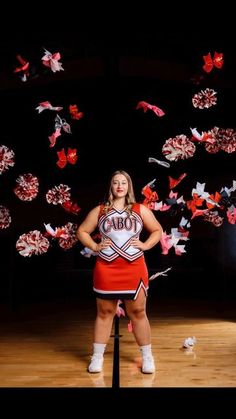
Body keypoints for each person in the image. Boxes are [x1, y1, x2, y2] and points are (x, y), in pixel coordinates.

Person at [77, 170, 163, 374]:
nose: (119, 186)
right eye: (115, 182)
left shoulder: (139, 209)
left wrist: (145, 245)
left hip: (134, 266)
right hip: (107, 267)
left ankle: (147, 357)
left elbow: (157, 230)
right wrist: (95, 247)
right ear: (111, 186)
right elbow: (82, 231)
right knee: (105, 312)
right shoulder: (100, 210)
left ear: (128, 186)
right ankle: (97, 357)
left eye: (123, 182)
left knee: (138, 312)